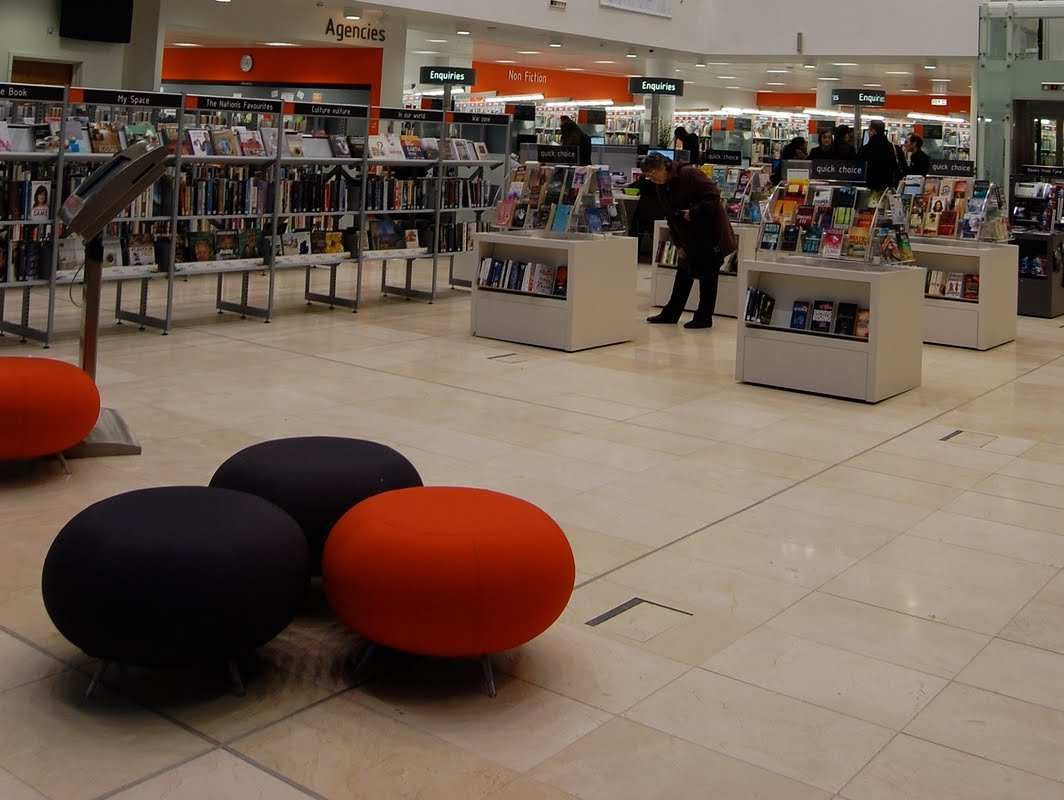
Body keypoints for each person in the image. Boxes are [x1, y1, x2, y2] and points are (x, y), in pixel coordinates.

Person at [643, 153, 737, 330]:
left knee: (708, 276)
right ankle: (671, 313)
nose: (652, 178)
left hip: (709, 232)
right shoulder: (661, 185)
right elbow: (670, 215)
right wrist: (678, 244)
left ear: (664, 167)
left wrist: (692, 213)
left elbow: (713, 197)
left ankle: (704, 317)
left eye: (653, 173)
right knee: (684, 273)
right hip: (688, 235)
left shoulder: (690, 174)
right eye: (648, 176)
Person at [860, 119, 902, 191]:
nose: (869, 133)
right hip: (887, 190)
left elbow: (860, 169)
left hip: (869, 188)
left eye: (869, 130)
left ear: (873, 131)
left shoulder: (865, 149)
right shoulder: (894, 148)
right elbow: (897, 169)